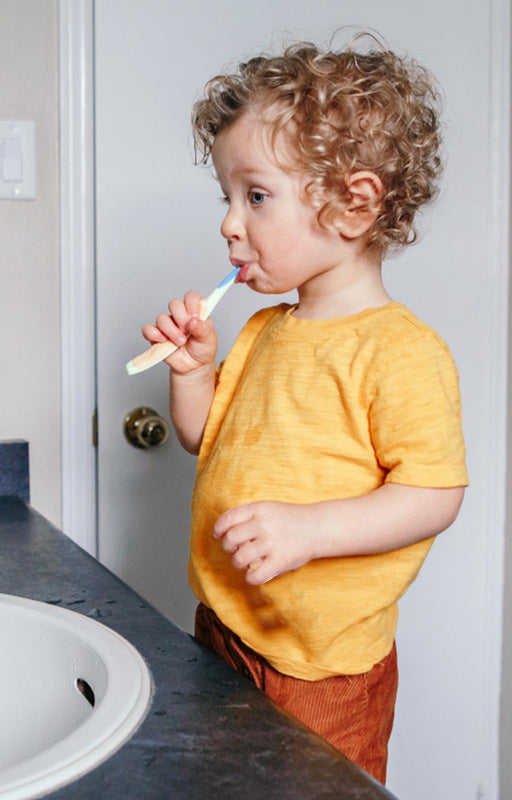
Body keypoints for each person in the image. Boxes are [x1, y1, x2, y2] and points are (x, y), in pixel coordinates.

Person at [138, 34, 468, 784]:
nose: (229, 222)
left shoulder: (400, 351)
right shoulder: (263, 331)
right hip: (225, 630)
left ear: (354, 206)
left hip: (326, 671)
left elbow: (436, 493)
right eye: (226, 197)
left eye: (254, 196)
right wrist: (193, 373)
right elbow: (203, 440)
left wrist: (312, 529)